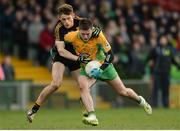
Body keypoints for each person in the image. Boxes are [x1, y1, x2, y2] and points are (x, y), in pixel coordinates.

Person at [60, 18, 152, 126]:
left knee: (123, 92)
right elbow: (59, 42)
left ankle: (141, 101)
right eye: (83, 34)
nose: (85, 36)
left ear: (91, 30)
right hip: (88, 67)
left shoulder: (98, 35)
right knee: (82, 87)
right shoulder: (71, 36)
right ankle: (92, 116)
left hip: (104, 66)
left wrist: (101, 69)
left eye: (88, 34)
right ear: (78, 30)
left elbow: (111, 55)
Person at [26, 4, 101, 123]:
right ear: (59, 18)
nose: (66, 22)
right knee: (56, 84)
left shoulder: (82, 22)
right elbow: (61, 50)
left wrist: (97, 31)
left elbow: (96, 34)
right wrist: (78, 59)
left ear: (73, 15)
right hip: (61, 56)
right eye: (63, 19)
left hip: (76, 56)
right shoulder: (58, 28)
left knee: (84, 85)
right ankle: (33, 110)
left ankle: (90, 115)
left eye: (68, 18)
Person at [146, 35, 180, 108]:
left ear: (166, 40)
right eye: (162, 39)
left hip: (166, 73)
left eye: (164, 39)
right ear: (159, 40)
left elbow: (172, 60)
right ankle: (154, 105)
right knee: (155, 90)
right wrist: (150, 62)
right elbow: (149, 58)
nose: (163, 41)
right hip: (157, 73)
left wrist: (178, 66)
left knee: (166, 90)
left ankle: (166, 105)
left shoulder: (170, 49)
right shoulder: (156, 49)